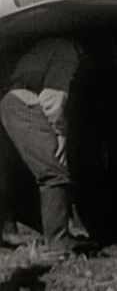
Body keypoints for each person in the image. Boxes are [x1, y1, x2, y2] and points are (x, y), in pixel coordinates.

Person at [0, 37, 84, 254]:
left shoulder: (49, 45)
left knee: (13, 173)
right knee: (55, 172)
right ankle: (58, 243)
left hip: (11, 101)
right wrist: (60, 134)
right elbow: (52, 100)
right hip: (22, 103)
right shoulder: (68, 51)